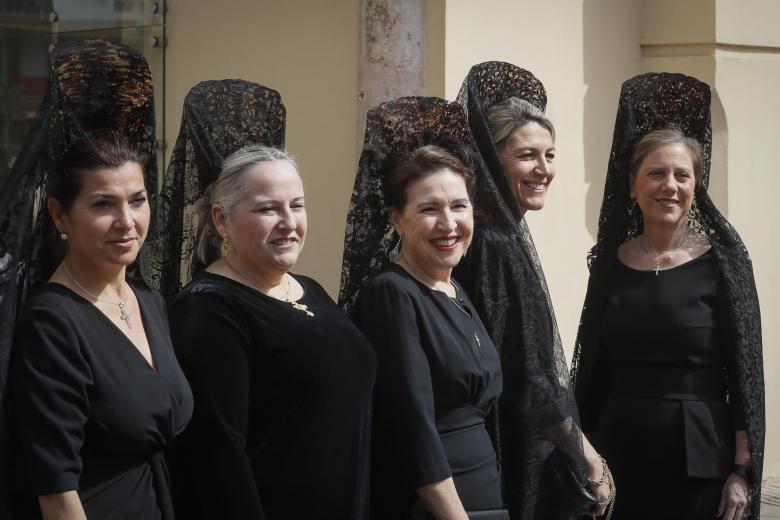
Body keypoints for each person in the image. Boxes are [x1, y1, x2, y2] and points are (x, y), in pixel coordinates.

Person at [572, 73, 765, 520]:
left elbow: (744, 376)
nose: (670, 185)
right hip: (618, 448)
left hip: (701, 458)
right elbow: (594, 369)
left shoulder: (724, 263)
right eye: (655, 173)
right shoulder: (609, 262)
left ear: (697, 185)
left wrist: (742, 471)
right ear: (633, 185)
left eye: (683, 175)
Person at [167, 144, 376, 520]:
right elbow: (218, 457)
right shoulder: (210, 308)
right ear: (221, 220)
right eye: (268, 208)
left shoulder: (309, 288)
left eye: (297, 205)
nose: (288, 222)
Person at [453, 61, 613, 519]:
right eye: (527, 155)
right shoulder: (492, 244)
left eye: (550, 154)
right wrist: (589, 459)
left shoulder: (499, 233)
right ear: (488, 157)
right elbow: (529, 377)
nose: (543, 169)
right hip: (506, 453)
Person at [10, 134, 192, 520]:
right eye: (103, 204)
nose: (126, 222)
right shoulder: (52, 323)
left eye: (138, 201)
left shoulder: (149, 301)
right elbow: (57, 495)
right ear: (59, 215)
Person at [354, 144, 507, 519]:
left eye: (459, 206)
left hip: (485, 504)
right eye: (428, 209)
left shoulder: (455, 290)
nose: (449, 223)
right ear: (396, 219)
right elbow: (411, 429)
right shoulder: (392, 294)